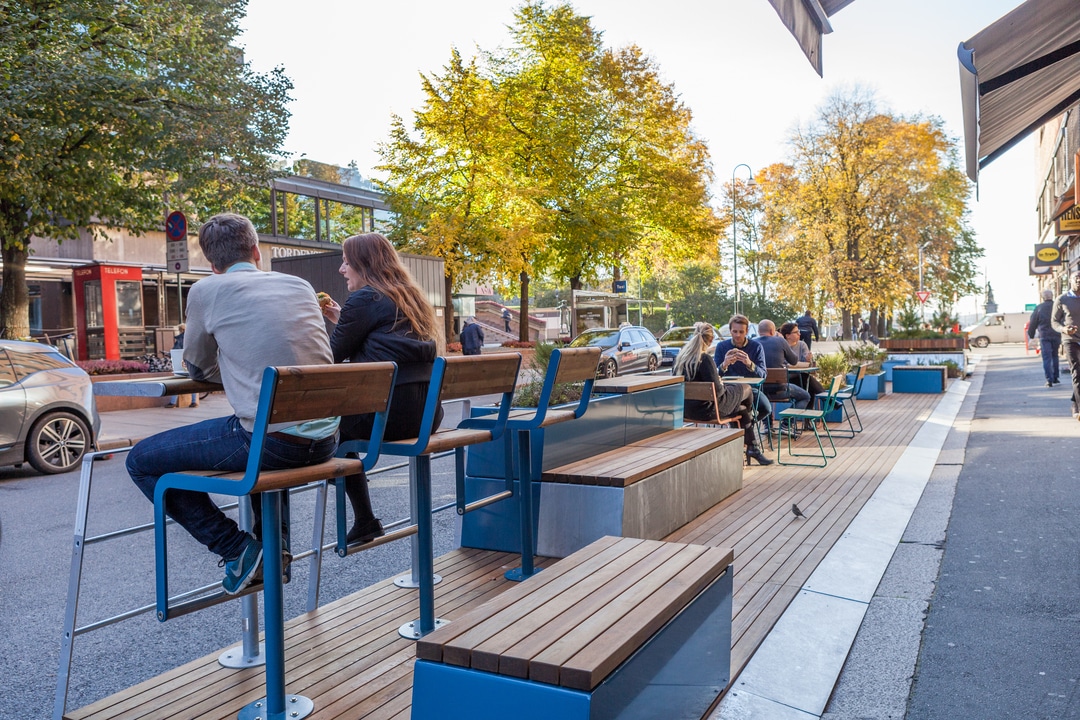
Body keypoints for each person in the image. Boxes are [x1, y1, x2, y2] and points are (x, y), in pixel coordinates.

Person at [127, 213, 339, 595]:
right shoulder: (300, 285)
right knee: (270, 427)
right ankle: (276, 549)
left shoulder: (207, 290)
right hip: (327, 439)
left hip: (273, 444)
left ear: (212, 265)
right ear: (256, 251)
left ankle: (238, 549)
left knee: (141, 461)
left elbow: (199, 366)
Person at [320, 232, 444, 544]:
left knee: (329, 431)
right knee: (340, 431)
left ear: (364, 265)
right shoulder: (410, 297)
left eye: (346, 262)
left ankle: (362, 516)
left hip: (389, 417)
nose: (341, 269)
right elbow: (384, 342)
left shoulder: (365, 298)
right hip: (428, 415)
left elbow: (331, 357)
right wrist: (342, 318)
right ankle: (353, 501)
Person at [673, 322, 772, 466]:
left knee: (743, 410)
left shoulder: (680, 358)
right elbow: (718, 392)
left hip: (685, 411)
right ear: (711, 340)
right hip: (708, 410)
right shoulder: (704, 358)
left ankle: (752, 448)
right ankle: (748, 443)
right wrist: (722, 381)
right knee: (746, 389)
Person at [713, 314, 771, 429]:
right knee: (738, 410)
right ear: (730, 331)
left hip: (751, 389)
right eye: (734, 331)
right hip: (729, 390)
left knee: (766, 409)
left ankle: (747, 425)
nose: (738, 335)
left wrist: (749, 363)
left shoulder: (756, 347)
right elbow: (715, 375)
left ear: (747, 331)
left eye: (741, 332)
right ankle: (744, 428)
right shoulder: (722, 346)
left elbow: (763, 375)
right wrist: (724, 365)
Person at [1051, 273, 1080, 419]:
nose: (1079, 281)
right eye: (1076, 278)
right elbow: (1054, 322)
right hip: (1070, 340)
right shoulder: (1062, 299)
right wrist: (1064, 329)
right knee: (1077, 373)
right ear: (1070, 280)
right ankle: (1079, 410)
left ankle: (1074, 403)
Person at [780, 322, 826, 397]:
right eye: (796, 332)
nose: (799, 334)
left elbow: (807, 363)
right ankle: (827, 398)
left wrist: (808, 359)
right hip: (788, 378)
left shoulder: (802, 344)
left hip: (800, 376)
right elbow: (785, 364)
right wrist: (801, 364)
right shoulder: (782, 346)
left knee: (807, 381)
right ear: (788, 336)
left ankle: (825, 399)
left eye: (799, 331)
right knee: (807, 381)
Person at [1028, 288, 1061, 387]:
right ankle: (1055, 377)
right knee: (1055, 355)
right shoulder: (1057, 306)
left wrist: (1031, 334)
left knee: (1047, 358)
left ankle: (1049, 379)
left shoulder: (1039, 308)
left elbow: (1033, 322)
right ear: (1052, 296)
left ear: (1043, 297)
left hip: (1044, 335)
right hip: (1056, 334)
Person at [165, 323, 200, 408]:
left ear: (181, 330)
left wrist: (168, 354)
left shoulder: (180, 339)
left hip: (181, 362)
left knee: (178, 381)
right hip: (192, 362)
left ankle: (173, 402)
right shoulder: (192, 338)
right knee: (193, 381)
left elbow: (176, 352)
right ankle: (194, 401)